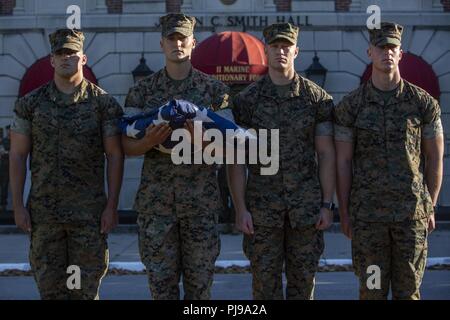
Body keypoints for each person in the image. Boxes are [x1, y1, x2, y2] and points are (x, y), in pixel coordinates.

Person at [10, 29, 124, 299]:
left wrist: (112, 206)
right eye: (60, 53)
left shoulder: (103, 104)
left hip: (89, 218)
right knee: (50, 292)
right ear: (51, 60)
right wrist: (17, 206)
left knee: (85, 293)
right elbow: (17, 155)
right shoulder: (30, 104)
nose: (65, 58)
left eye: (71, 53)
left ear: (83, 58)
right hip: (45, 216)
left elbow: (115, 156)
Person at [122, 13, 230, 300]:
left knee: (200, 291)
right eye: (171, 38)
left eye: (183, 38)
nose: (177, 43)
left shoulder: (215, 91)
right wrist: (148, 141)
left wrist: (202, 139)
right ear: (161, 44)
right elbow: (125, 147)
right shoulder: (142, 91)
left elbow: (229, 148)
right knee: (161, 289)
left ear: (193, 43)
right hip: (157, 209)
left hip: (201, 207)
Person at [334, 22, 444, 300]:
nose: (387, 53)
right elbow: (343, 162)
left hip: (410, 217)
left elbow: (434, 158)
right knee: (371, 292)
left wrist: (429, 204)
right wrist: (344, 212)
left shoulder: (423, 103)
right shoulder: (352, 106)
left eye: (392, 47)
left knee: (408, 293)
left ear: (401, 53)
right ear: (370, 52)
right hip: (368, 220)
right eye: (381, 48)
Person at [227, 23, 336, 299]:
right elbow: (237, 160)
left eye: (286, 46)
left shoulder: (317, 99)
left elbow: (325, 154)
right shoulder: (247, 102)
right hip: (262, 212)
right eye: (274, 46)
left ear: (296, 51)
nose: (280, 51)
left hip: (306, 212)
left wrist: (326, 204)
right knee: (264, 290)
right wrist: (240, 209)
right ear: (266, 50)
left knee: (303, 287)